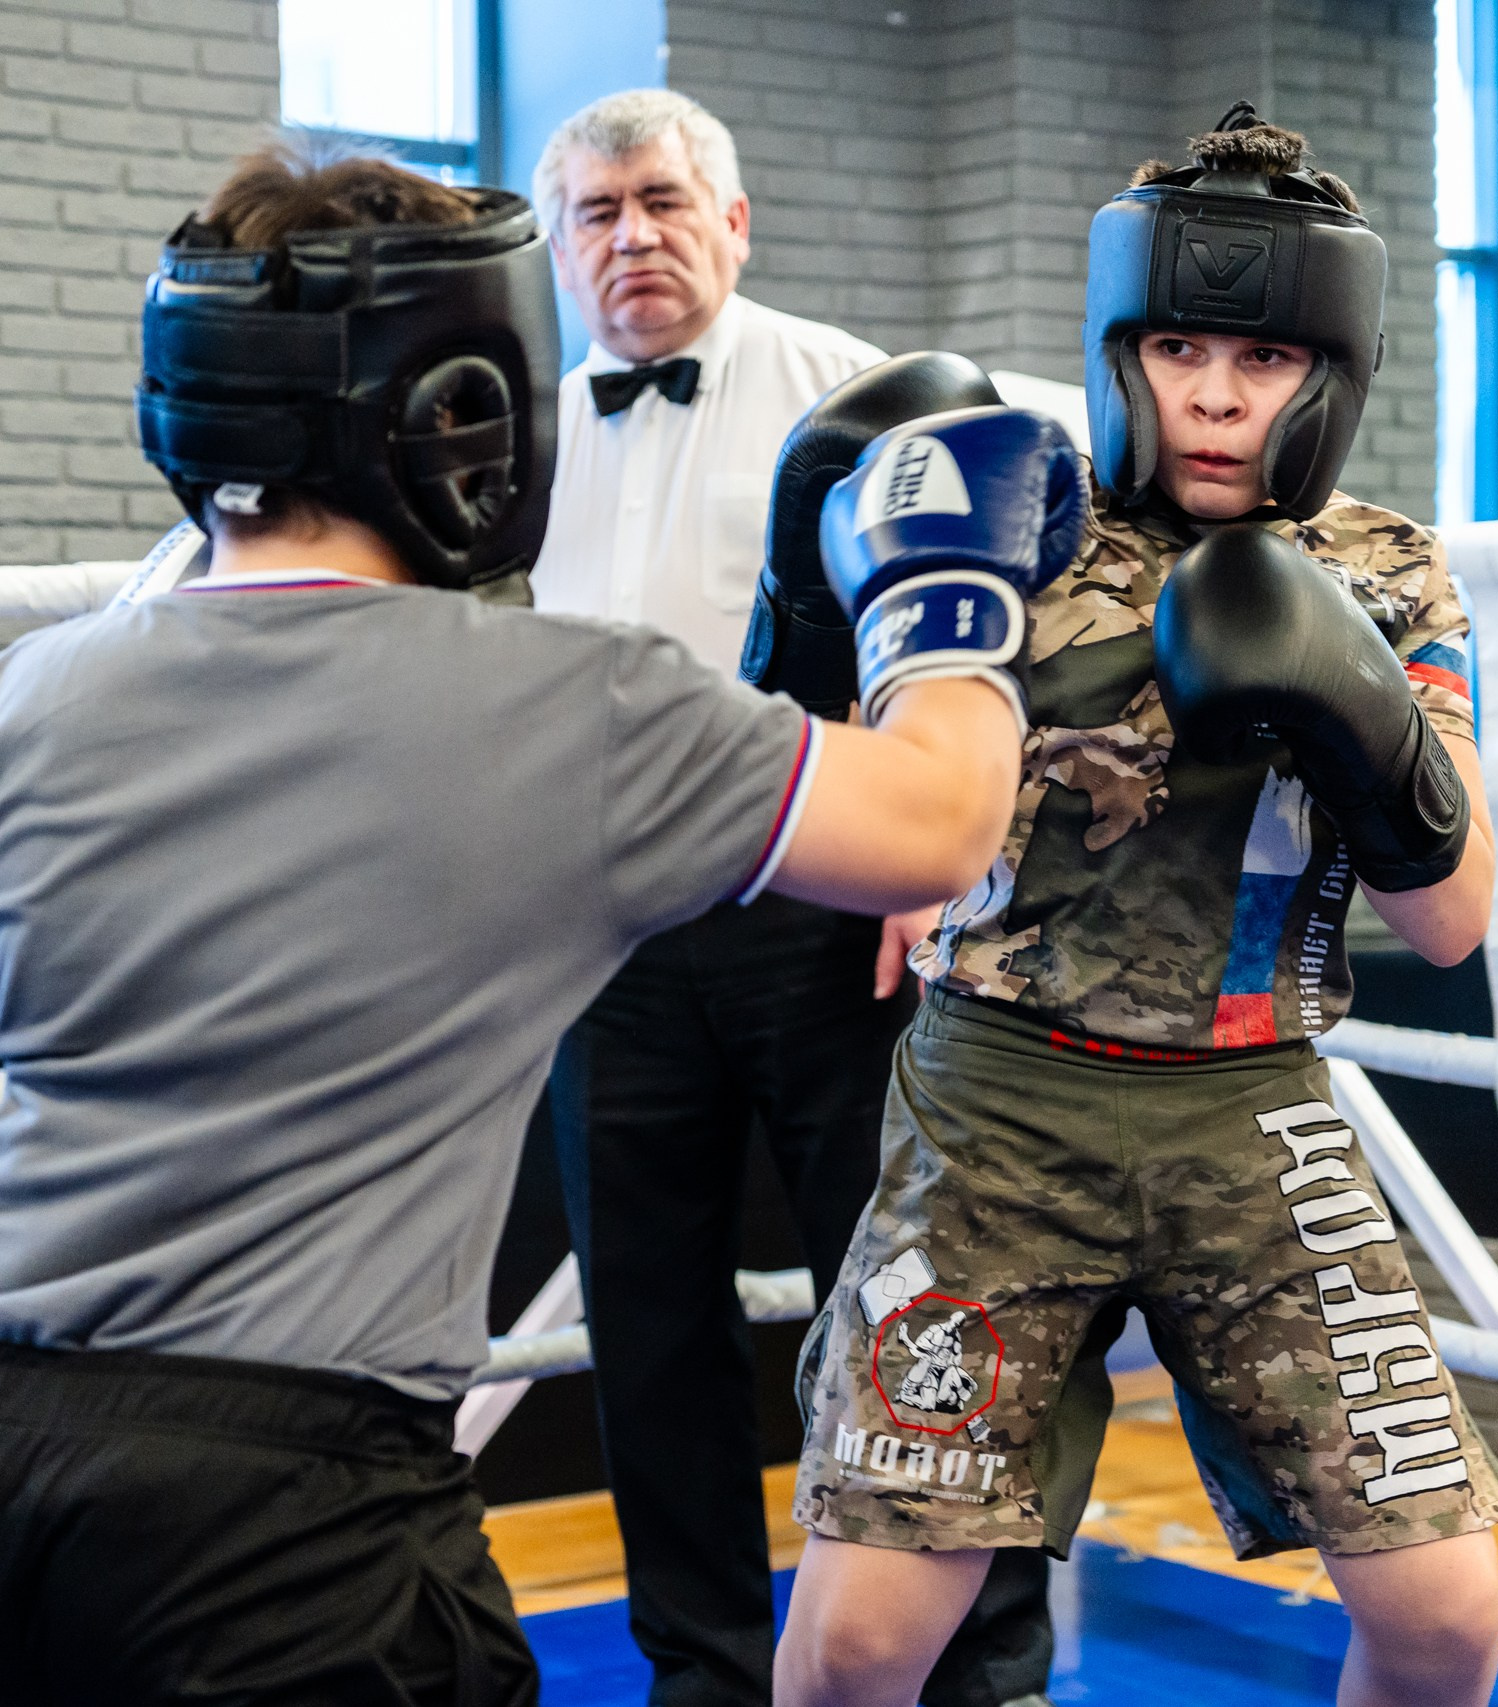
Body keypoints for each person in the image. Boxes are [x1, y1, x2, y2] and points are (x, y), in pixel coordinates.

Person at [0, 139, 1085, 1707]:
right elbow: (937, 815)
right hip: (288, 1504)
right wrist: (940, 584)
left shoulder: (22, 691)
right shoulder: (573, 700)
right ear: (475, 404)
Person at [771, 108, 1498, 1707]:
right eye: (1178, 346)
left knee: (1450, 1616)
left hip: (1256, 1111)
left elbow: (1454, 919)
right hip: (999, 1105)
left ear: (1330, 376)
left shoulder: (1390, 569)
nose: (1214, 394)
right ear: (1123, 351)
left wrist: (1361, 716)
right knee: (851, 1649)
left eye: (1260, 361)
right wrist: (810, 599)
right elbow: (835, 798)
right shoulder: (1020, 523)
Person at [528, 88, 1053, 1707]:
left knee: (909, 1301)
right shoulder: (517, 433)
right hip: (606, 929)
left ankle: (981, 1662)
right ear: (556, 247)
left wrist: (948, 863)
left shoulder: (855, 395)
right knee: (649, 1322)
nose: (636, 234)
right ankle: (703, 1665)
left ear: (735, 221)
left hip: (824, 903)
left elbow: (989, 630)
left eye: (666, 201)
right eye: (599, 212)